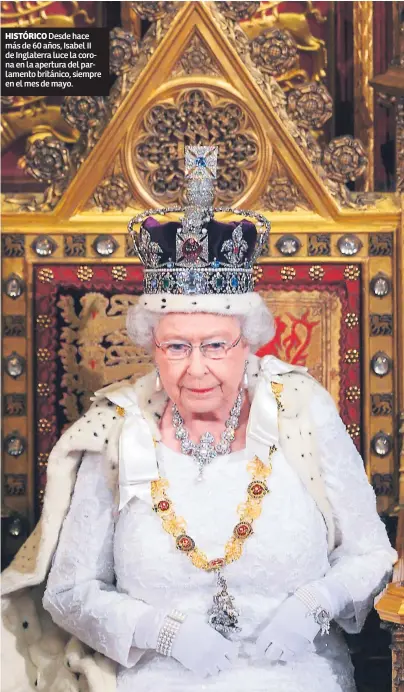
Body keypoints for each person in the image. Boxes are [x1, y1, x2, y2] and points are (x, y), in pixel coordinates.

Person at [2, 147, 397, 692]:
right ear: (151, 348)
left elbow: (372, 552)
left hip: (300, 674)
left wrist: (315, 603)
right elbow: (69, 592)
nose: (196, 369)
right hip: (156, 679)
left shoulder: (301, 409)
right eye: (176, 347)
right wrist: (160, 633)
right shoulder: (117, 430)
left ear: (249, 342)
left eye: (215, 345)